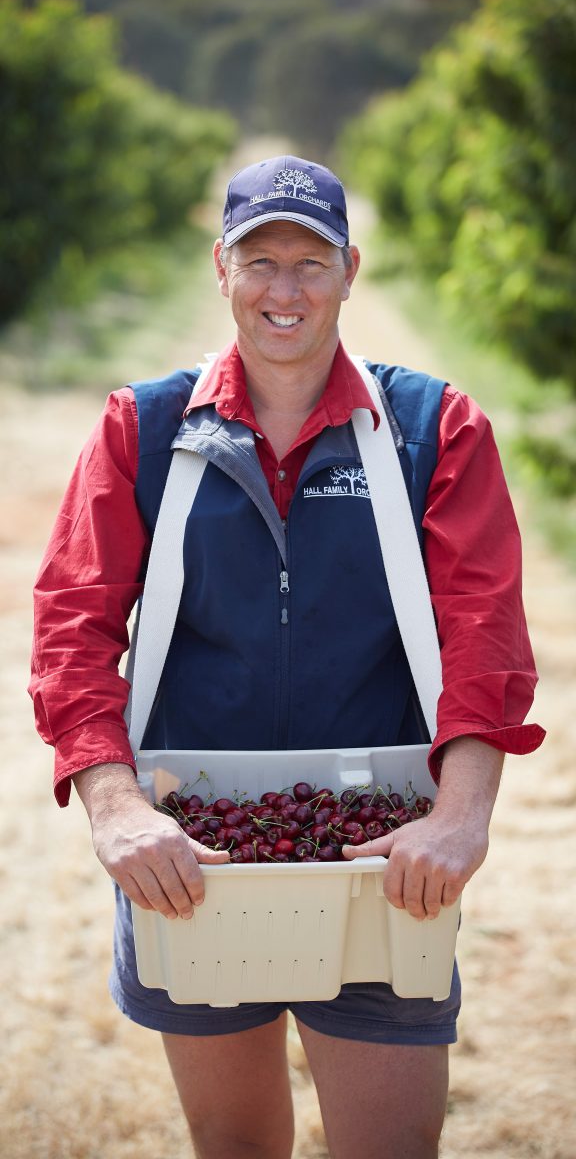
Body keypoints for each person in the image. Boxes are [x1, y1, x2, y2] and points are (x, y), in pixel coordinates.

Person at [30, 154, 544, 1159]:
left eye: (311, 261)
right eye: (259, 260)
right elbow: (72, 626)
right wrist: (119, 805)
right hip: (194, 858)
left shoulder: (432, 428)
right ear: (219, 270)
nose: (285, 288)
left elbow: (483, 632)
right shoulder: (146, 427)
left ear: (352, 270)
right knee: (235, 1148)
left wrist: (461, 816)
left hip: (383, 862)